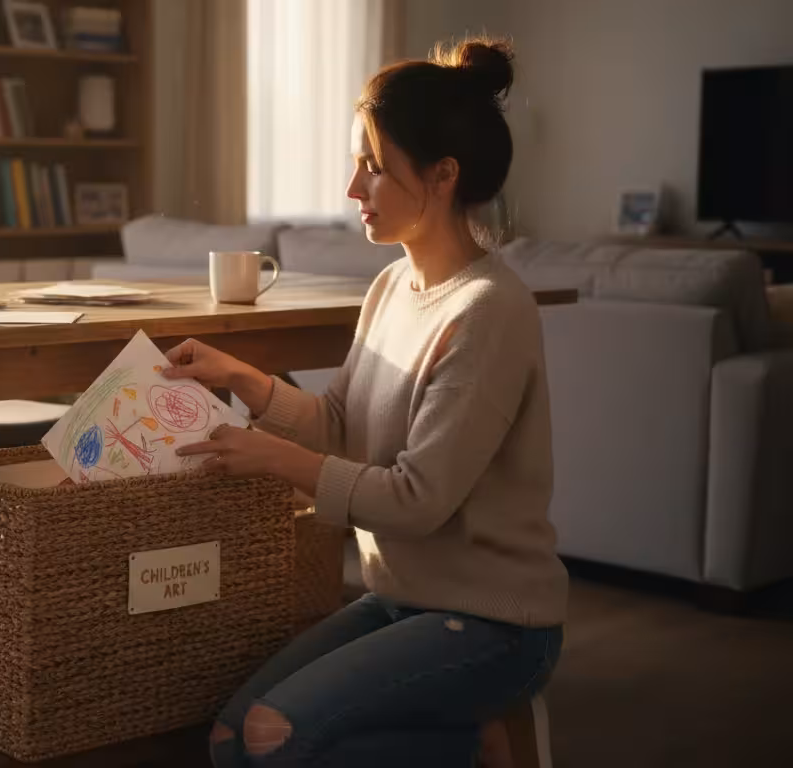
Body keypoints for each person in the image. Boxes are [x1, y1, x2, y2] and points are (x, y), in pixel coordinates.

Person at [166, 38, 567, 767]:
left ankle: (484, 741)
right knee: (230, 739)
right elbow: (342, 427)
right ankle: (469, 740)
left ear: (443, 176)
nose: (353, 189)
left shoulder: (487, 310)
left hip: (495, 620)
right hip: (400, 598)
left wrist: (274, 458)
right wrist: (243, 379)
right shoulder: (388, 288)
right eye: (358, 164)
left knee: (273, 739)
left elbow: (416, 501)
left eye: (374, 169)